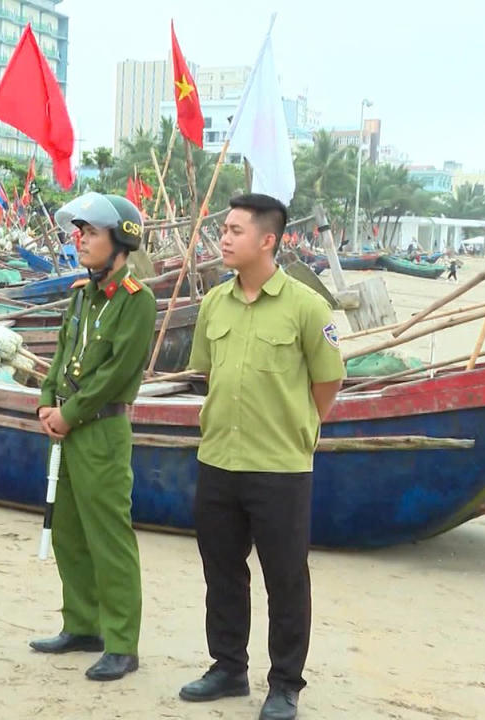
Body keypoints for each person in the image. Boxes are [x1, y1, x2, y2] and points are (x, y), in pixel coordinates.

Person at [180, 194, 344, 720]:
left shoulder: (306, 306)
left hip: (280, 467)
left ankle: (285, 683)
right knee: (222, 570)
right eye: (223, 229)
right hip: (219, 461)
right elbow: (209, 373)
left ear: (268, 240)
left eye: (235, 230)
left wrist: (296, 427)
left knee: (285, 577)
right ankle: (228, 667)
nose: (223, 238)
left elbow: (329, 380)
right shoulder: (214, 304)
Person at [28, 192, 156, 682]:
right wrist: (44, 398)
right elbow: (62, 356)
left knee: (109, 537)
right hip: (65, 428)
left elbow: (117, 371)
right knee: (69, 532)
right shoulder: (81, 294)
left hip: (101, 429)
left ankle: (122, 642)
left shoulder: (136, 301)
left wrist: (69, 412)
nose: (80, 239)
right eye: (79, 231)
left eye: (92, 232)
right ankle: (82, 624)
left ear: (121, 242)